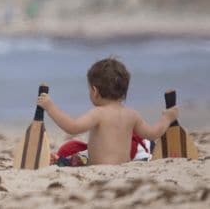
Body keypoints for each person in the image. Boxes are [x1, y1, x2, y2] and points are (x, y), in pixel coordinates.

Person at [36, 57, 179, 166]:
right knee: (75, 153)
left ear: (94, 91)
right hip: (125, 168)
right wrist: (167, 118)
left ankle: (59, 161)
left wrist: (50, 107)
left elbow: (72, 127)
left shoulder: (98, 113)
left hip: (98, 168)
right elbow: (153, 133)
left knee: (68, 155)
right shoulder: (132, 114)